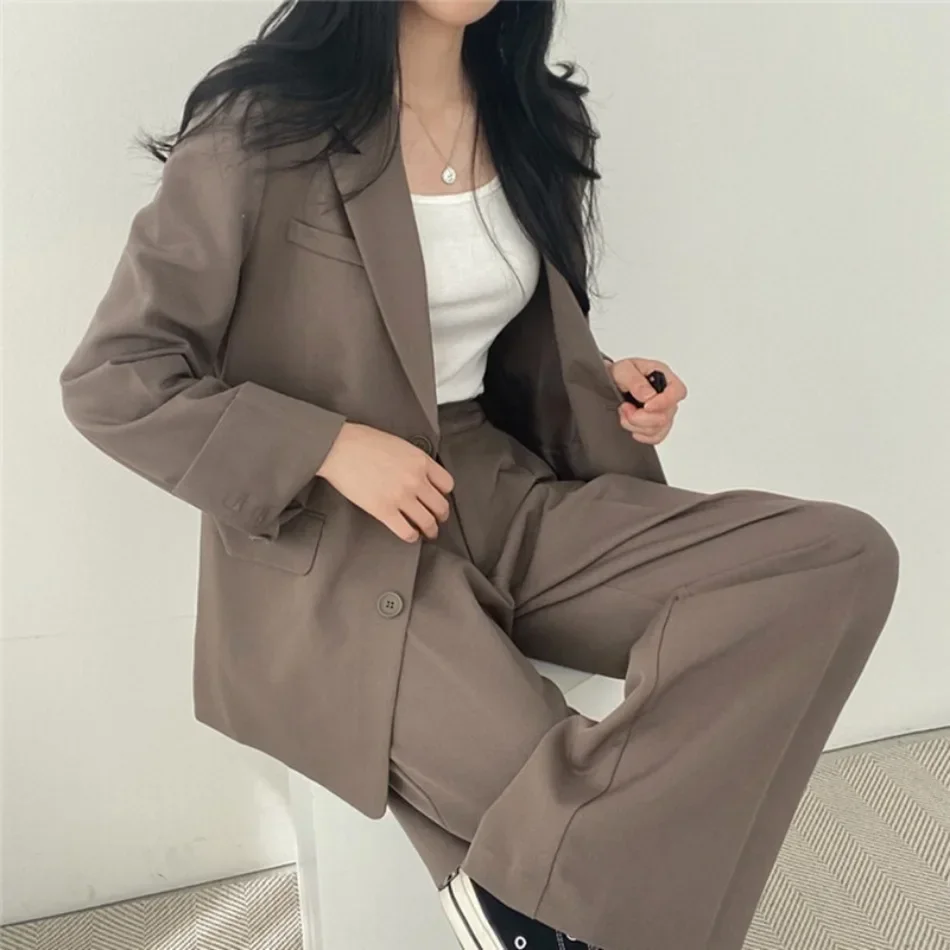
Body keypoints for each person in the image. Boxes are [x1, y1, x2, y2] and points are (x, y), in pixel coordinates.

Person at [59, 1, 900, 948]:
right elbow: (114, 377)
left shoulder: (535, 117)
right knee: (560, 811)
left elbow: (490, 349)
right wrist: (329, 446)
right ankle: (538, 901)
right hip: (334, 537)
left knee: (839, 558)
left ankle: (516, 897)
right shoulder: (263, 127)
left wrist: (608, 383)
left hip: (503, 489)